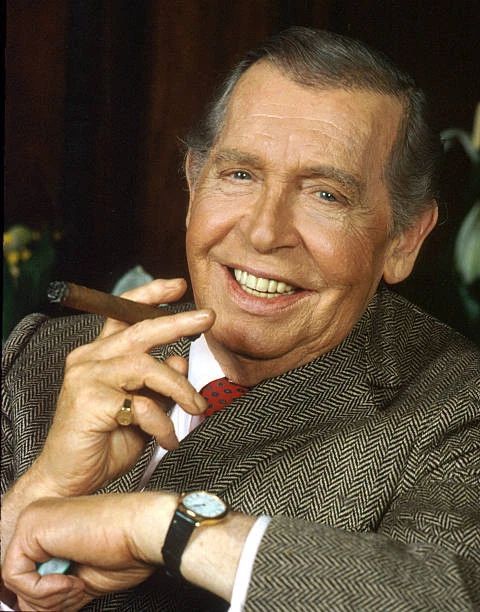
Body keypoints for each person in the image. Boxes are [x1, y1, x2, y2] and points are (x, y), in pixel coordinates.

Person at [2, 26, 479, 612]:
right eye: (241, 175)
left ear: (404, 240)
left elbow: (453, 596)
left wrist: (168, 529)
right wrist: (45, 489)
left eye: (325, 194)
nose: (264, 232)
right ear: (193, 184)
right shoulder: (45, 356)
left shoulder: (458, 408)